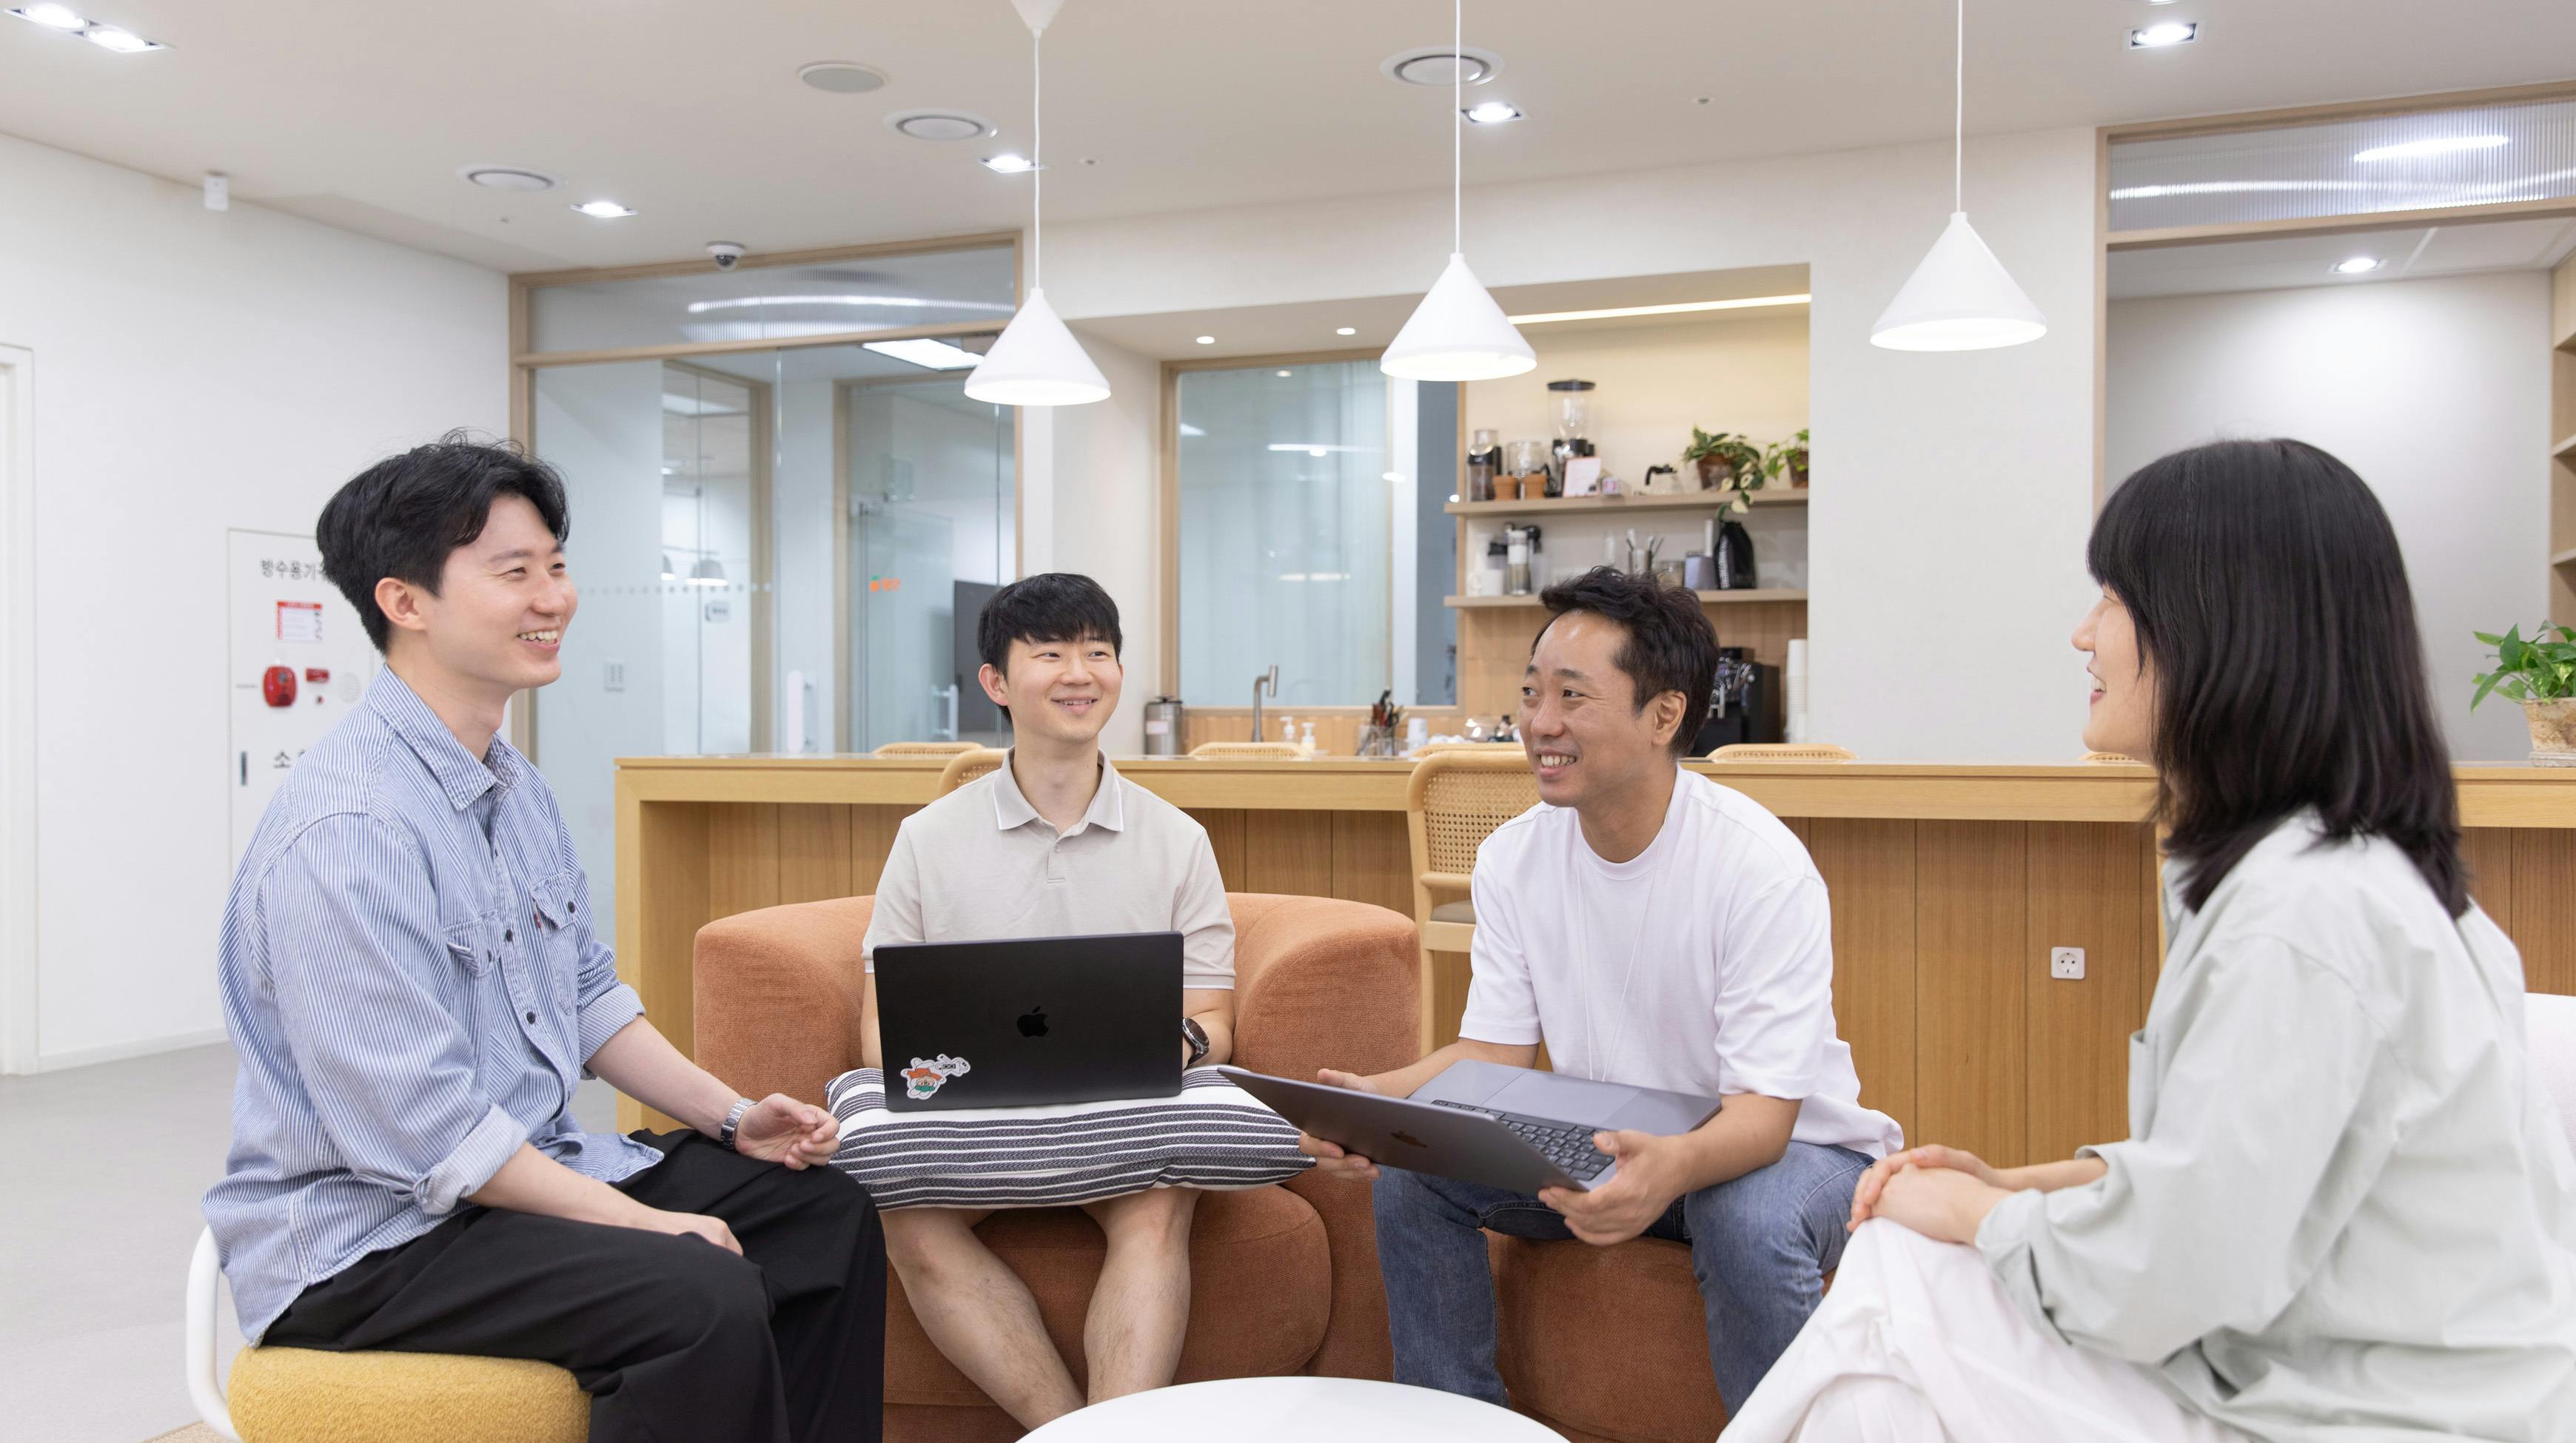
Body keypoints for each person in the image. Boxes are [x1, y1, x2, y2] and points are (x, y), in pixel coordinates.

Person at [1729, 440, 2576, 1443]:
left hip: (2371, 1412)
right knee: (1896, 1302)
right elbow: (2240, 1180)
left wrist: (1974, 1214)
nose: (2083, 634)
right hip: (2346, 1371)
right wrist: (2019, 1184)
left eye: (2113, 598)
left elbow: (2178, 1271)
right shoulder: (2342, 879)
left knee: (1898, 1283)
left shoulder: (2303, 916)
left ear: (2220, 626)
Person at [204, 436, 886, 1443]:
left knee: (823, 1214)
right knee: (697, 1293)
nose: (553, 597)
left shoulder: (511, 784)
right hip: (373, 1242)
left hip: (508, 1180)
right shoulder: (351, 832)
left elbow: (585, 996)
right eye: (513, 572)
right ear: (404, 601)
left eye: (556, 566)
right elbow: (432, 1141)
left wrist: (735, 1116)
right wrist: (653, 1225)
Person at [1300, 566, 1903, 1415]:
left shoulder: (1756, 867)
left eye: (1573, 696)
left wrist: (1670, 1169)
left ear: (1664, 716)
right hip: (1612, 1141)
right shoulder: (1514, 857)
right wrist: (1379, 1103)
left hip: (1794, 1150)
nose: (1540, 723)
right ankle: (1458, 1425)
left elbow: (1765, 1118)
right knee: (1414, 1177)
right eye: (1531, 693)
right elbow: (1493, 1053)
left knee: (1742, 1217)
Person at [861, 572, 1236, 1430]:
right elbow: (880, 1024)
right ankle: (1071, 1431)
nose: (1080, 673)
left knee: (1158, 1205)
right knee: (910, 1221)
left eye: (1098, 652)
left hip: (1124, 1111)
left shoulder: (1178, 841)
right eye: (1051, 653)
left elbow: (1216, 1018)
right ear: (996, 682)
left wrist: (1172, 1042)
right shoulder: (927, 840)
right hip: (978, 1113)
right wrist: (940, 1072)